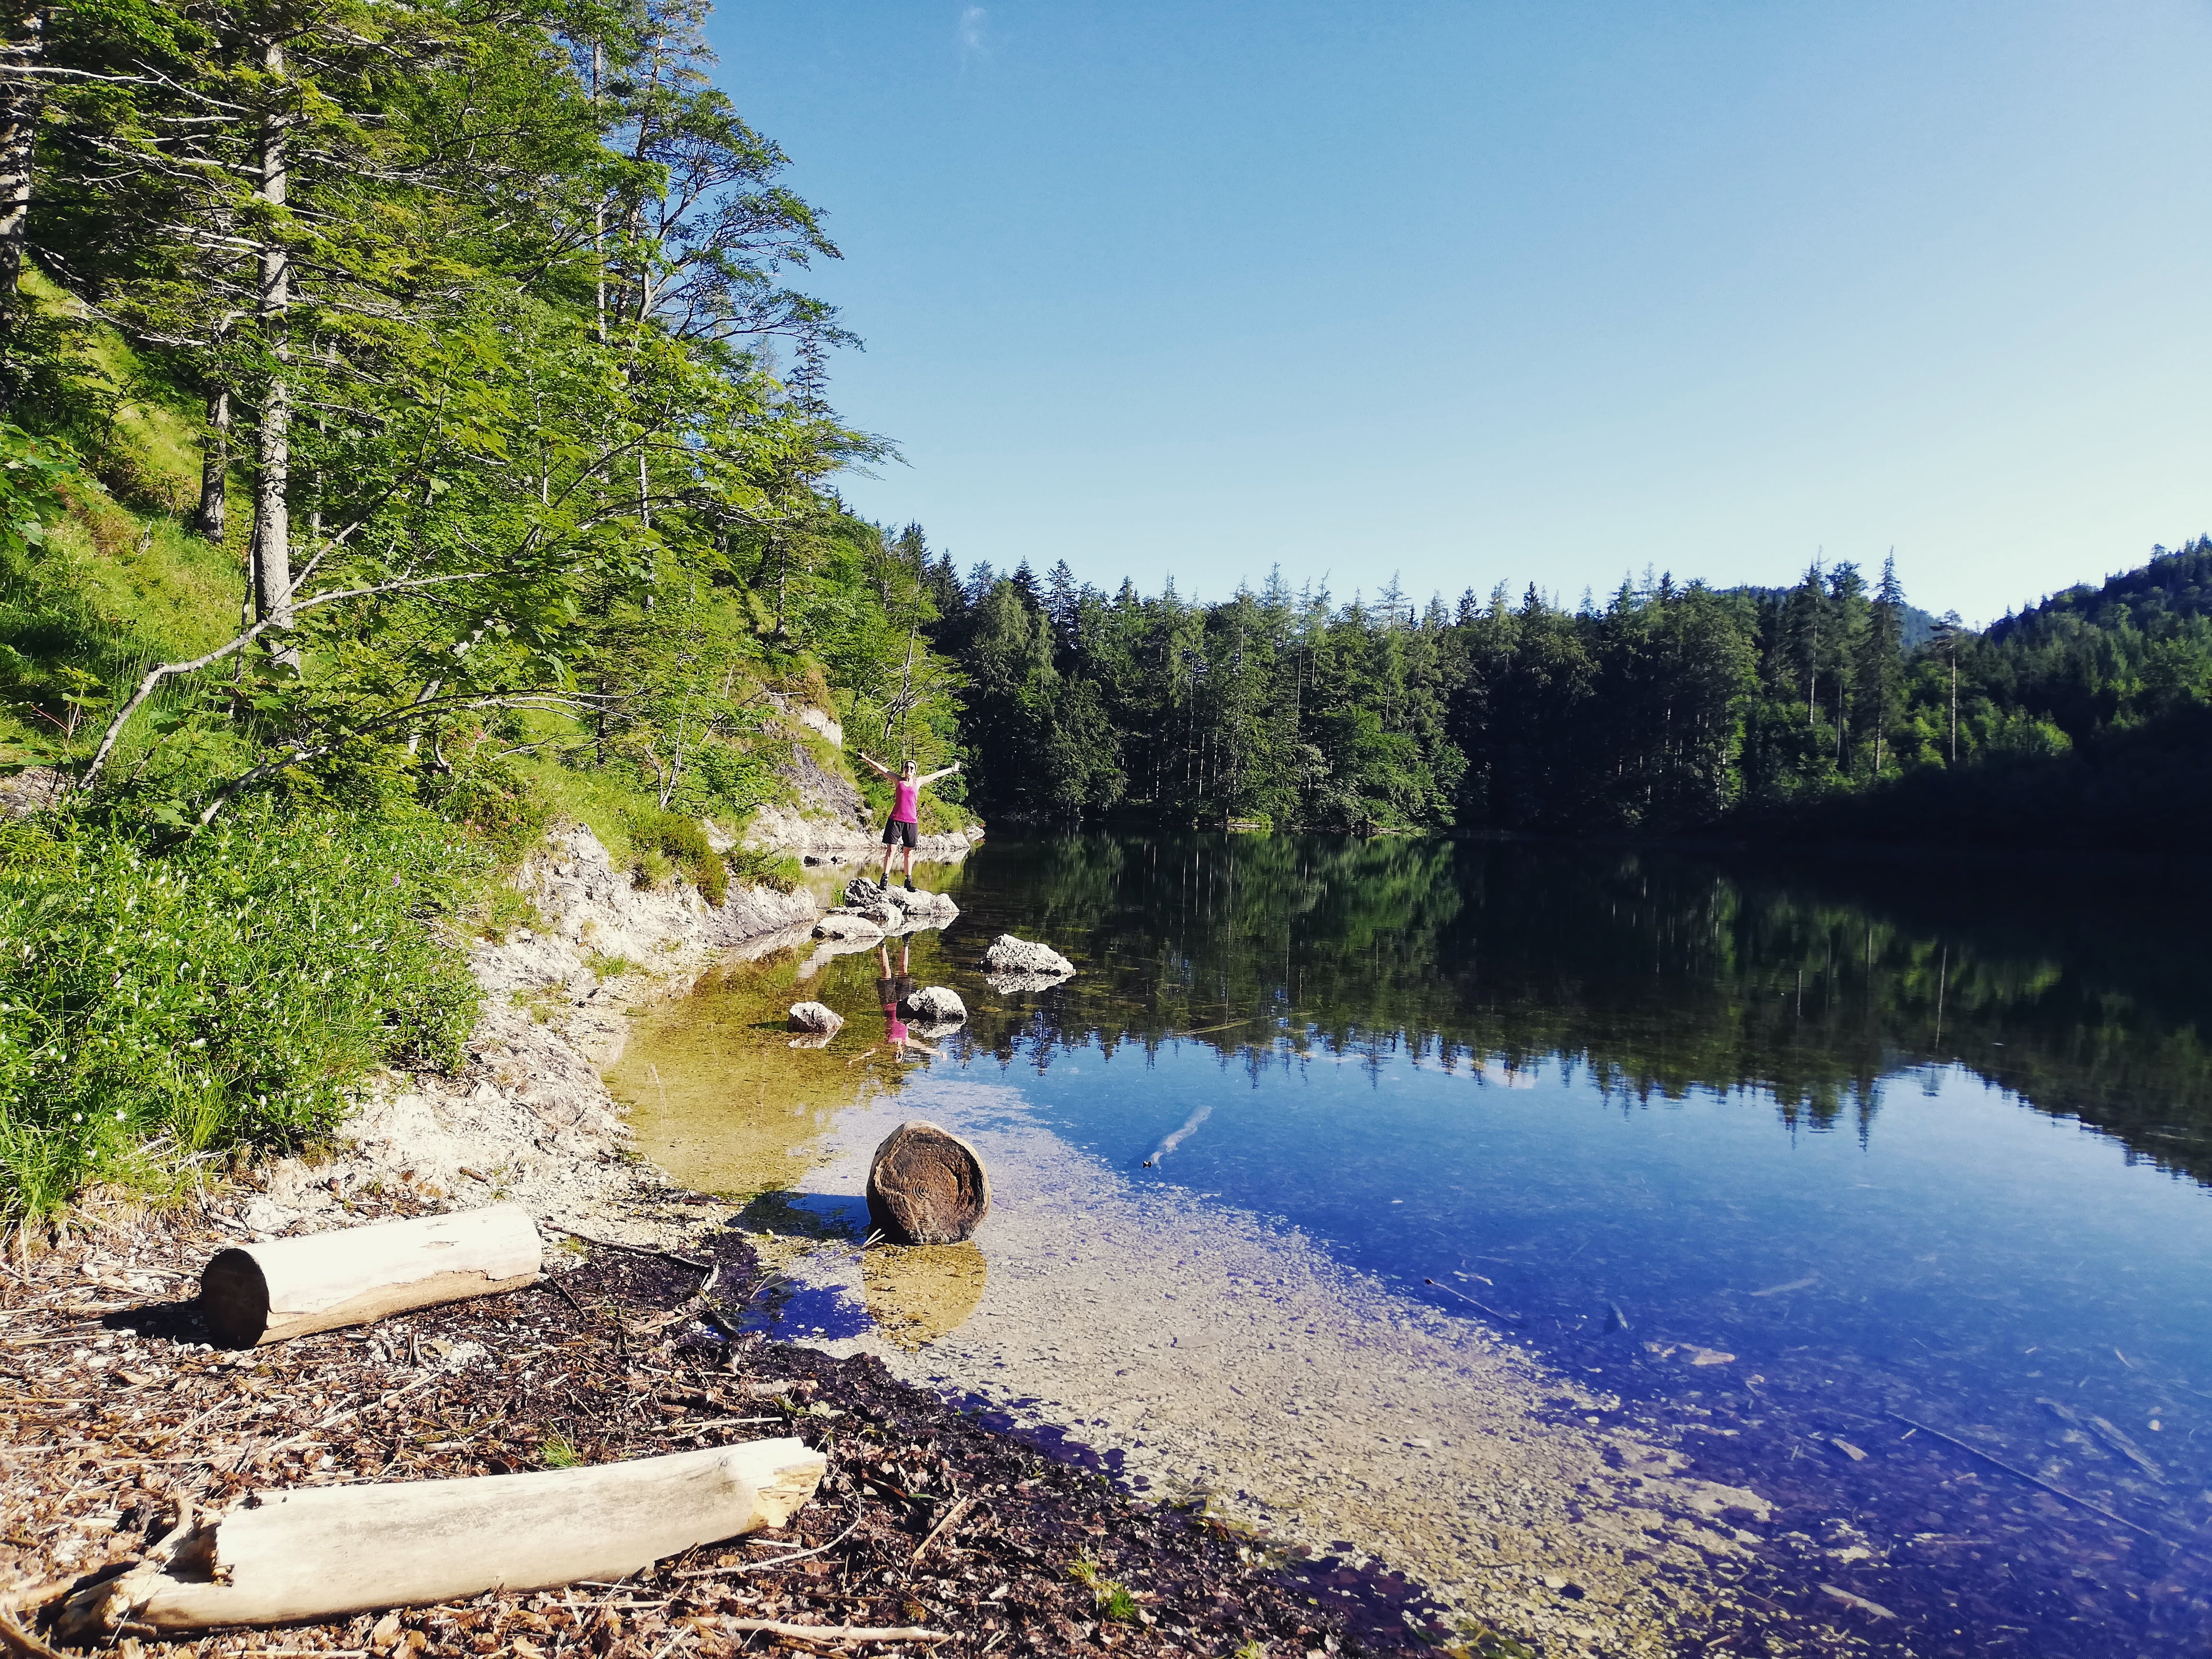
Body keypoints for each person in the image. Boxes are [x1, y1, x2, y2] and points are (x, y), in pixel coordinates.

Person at [857, 751, 962, 890]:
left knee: (909, 851)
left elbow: (935, 775)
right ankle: (884, 879)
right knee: (891, 849)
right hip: (895, 819)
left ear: (915, 771)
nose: (909, 770)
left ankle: (908, 881)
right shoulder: (897, 780)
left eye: (912, 768)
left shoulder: (918, 782)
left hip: (911, 822)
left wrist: (951, 770)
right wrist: (865, 759)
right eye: (907, 767)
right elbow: (880, 769)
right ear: (904, 769)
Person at [878, 940, 943, 1060]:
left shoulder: (887, 1041)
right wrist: (938, 1053)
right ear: (903, 1053)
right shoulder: (906, 1041)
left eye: (895, 1056)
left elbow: (871, 1051)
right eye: (900, 1056)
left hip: (888, 1003)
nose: (897, 1054)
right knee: (904, 971)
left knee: (886, 973)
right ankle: (906, 942)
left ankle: (882, 945)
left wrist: (853, 1060)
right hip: (904, 1003)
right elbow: (923, 1048)